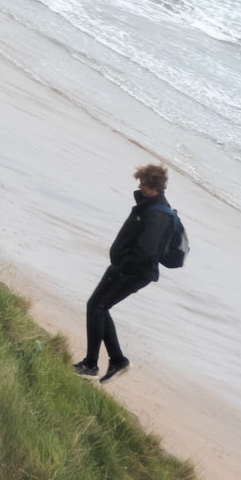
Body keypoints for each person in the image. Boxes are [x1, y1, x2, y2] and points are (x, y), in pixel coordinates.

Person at [73, 162, 179, 383]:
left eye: (143, 184)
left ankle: (92, 365)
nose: (139, 187)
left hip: (133, 271)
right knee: (99, 307)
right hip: (127, 268)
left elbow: (147, 250)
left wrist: (124, 264)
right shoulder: (149, 205)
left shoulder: (158, 214)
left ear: (155, 187)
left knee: (97, 307)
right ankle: (115, 361)